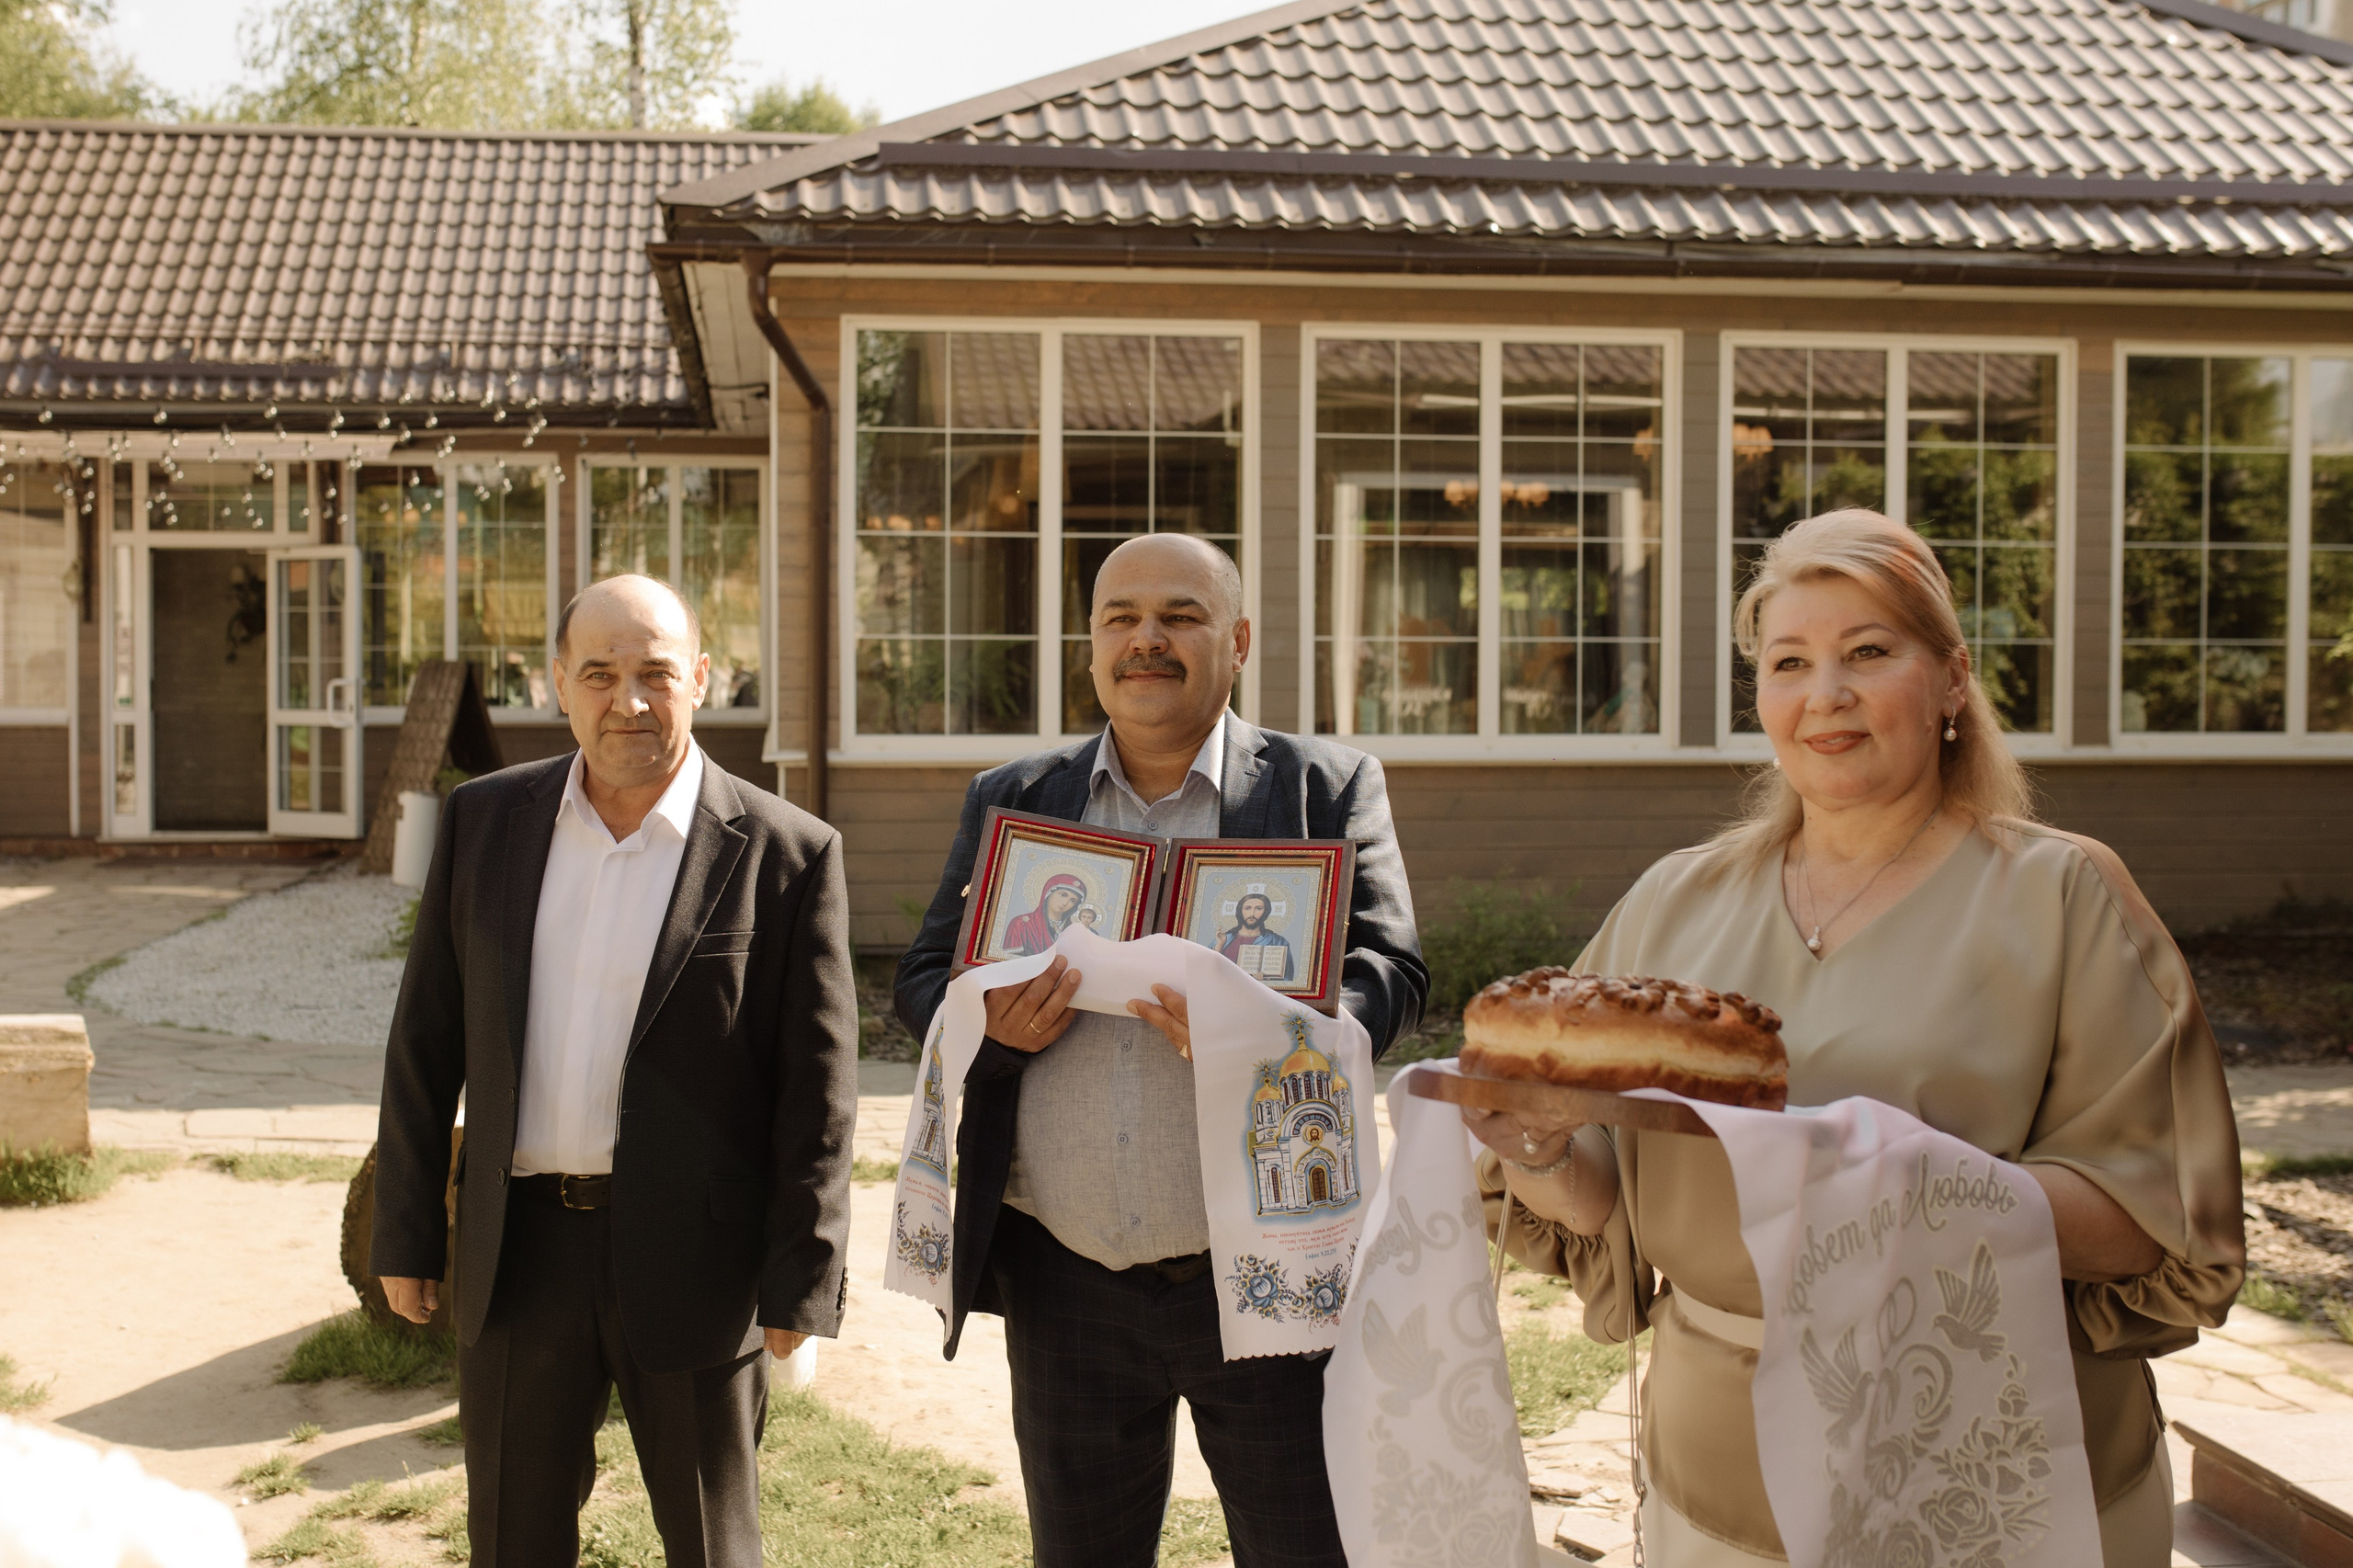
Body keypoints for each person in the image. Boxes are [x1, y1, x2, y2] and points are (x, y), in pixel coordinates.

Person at [1462, 510, 2244, 1567]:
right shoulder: (1672, 900)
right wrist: (1539, 1146)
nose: (1823, 693)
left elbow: (2153, 1224)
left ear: (1951, 679)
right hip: (1718, 1485)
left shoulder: (2061, 896)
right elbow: (1607, 1204)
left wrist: (1905, 1185)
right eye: (1789, 661)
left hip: (1995, 1464)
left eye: (1867, 652)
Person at [895, 533, 1427, 1568]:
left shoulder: (1326, 785)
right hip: (1067, 1275)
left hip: (1271, 1276)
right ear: (1089, 645)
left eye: (1179, 616)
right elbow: (921, 977)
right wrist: (984, 1020)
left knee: (1305, 1547)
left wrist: (1272, 1034)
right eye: (1120, 618)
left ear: (1234, 641)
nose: (1147, 639)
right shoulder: (1015, 796)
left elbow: (1392, 971)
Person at [370, 574, 858, 1568]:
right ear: (558, 682)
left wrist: (799, 1279)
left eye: (655, 673)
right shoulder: (485, 823)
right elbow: (425, 1041)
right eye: (599, 673)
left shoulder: (785, 852)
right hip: (519, 1256)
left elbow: (820, 1092)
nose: (627, 700)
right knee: (511, 1536)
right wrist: (409, 1225)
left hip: (697, 1263)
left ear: (703, 681)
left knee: (714, 1544)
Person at [1004, 873, 1088, 956]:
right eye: (1063, 895)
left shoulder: (1073, 931)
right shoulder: (1022, 924)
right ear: (1049, 892)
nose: (1065, 903)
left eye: (1073, 901)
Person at [1216, 891, 1292, 982]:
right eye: (1247, 908)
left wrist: (1268, 978)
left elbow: (1288, 977)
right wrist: (1220, 946)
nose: (1252, 914)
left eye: (1258, 909)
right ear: (1240, 911)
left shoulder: (1277, 941)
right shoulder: (1225, 939)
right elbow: (1207, 969)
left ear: (1265, 912)